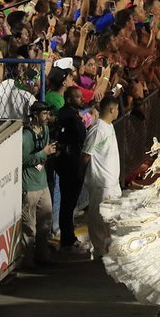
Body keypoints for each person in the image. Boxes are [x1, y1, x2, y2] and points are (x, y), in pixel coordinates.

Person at [80, 95, 121, 258]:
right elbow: (85, 154)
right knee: (98, 219)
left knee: (111, 220)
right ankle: (99, 252)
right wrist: (80, 173)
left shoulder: (108, 126)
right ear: (111, 109)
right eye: (117, 109)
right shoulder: (98, 129)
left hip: (111, 182)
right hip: (102, 183)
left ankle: (109, 250)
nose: (118, 112)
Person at [50, 85, 88, 255]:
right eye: (78, 97)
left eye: (81, 97)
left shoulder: (71, 114)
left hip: (71, 162)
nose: (82, 99)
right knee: (68, 203)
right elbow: (76, 136)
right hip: (69, 164)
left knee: (70, 203)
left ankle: (69, 238)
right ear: (69, 99)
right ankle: (67, 240)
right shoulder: (67, 115)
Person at [21, 102, 56, 269]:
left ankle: (43, 255)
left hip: (42, 183)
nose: (48, 117)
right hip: (29, 185)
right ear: (35, 116)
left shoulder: (45, 130)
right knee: (30, 226)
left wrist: (45, 155)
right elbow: (23, 159)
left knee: (46, 222)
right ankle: (28, 261)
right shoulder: (26, 135)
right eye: (44, 114)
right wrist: (43, 153)